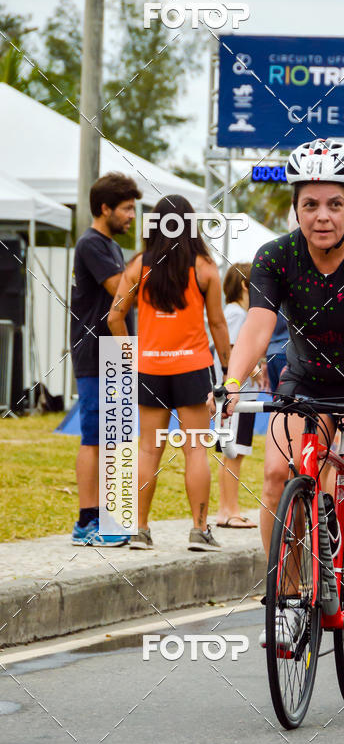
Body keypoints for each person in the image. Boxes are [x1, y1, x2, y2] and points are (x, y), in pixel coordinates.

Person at [208, 137, 344, 647]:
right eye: (310, 204)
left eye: (334, 204)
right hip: (305, 380)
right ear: (296, 205)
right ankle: (288, 597)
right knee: (278, 473)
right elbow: (257, 326)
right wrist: (231, 383)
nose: (322, 216)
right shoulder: (275, 256)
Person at [108, 194, 230, 551]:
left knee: (148, 450)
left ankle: (140, 531)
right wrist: (227, 371)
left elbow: (115, 316)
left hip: (150, 367)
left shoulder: (138, 266)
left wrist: (132, 356)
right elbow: (218, 325)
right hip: (192, 368)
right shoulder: (205, 267)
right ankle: (199, 530)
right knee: (196, 450)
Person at [70, 172, 142, 547]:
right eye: (127, 209)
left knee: (116, 438)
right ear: (105, 208)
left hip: (114, 350)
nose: (132, 216)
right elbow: (121, 289)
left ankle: (109, 517)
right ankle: (87, 520)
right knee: (95, 437)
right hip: (94, 351)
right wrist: (149, 256)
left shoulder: (110, 246)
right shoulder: (92, 244)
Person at [212, 262, 258, 529]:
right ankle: (228, 512)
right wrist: (256, 366)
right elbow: (231, 350)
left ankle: (229, 509)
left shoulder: (238, 314)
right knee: (232, 454)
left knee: (235, 454)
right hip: (236, 398)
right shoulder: (236, 314)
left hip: (244, 398)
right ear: (244, 285)